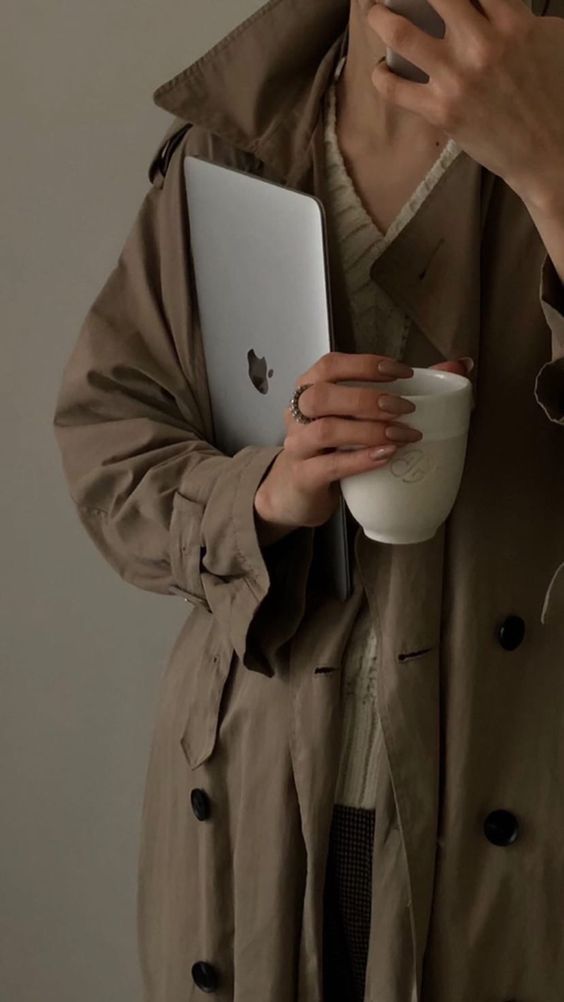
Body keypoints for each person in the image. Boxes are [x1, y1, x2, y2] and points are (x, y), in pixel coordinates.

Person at [52, 0, 564, 1000]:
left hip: (516, 824)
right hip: (252, 814)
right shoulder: (237, 135)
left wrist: (551, 166)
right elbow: (109, 437)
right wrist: (266, 494)